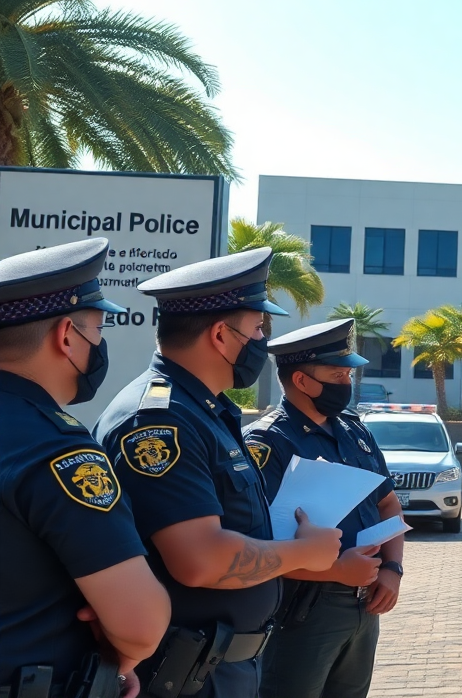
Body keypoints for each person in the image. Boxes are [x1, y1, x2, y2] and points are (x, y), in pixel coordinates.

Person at [94, 248, 343, 698]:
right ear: (220, 335)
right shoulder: (159, 420)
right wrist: (304, 552)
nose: (264, 341)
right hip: (183, 674)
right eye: (257, 328)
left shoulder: (203, 410)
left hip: (218, 668)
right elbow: (199, 560)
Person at [0, 239, 170, 698]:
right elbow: (141, 625)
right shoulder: (55, 448)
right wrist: (122, 649)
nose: (99, 343)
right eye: (97, 329)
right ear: (67, 336)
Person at [244, 319, 405, 698]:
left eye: (348, 374)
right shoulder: (267, 442)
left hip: (365, 603)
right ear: (301, 380)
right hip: (302, 609)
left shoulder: (354, 430)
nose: (346, 383)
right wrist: (337, 570)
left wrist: (394, 569)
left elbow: (387, 503)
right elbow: (252, 544)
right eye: (337, 375)